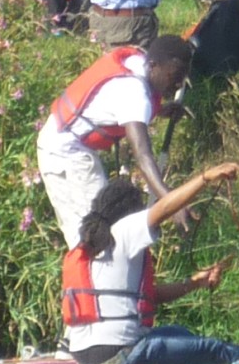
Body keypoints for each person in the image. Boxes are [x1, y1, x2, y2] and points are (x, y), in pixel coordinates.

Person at [64, 172, 239, 364]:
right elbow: (165, 207)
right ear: (129, 210)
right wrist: (206, 177)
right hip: (120, 359)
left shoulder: (90, 243)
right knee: (212, 347)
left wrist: (194, 283)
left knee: (179, 332)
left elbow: (149, 296)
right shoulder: (123, 231)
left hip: (87, 362)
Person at [37, 35, 192, 250]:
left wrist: (160, 110)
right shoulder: (133, 91)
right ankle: (86, 280)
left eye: (182, 79)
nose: (177, 85)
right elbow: (143, 155)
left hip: (67, 142)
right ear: (154, 65)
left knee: (97, 232)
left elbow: (116, 106)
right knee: (96, 233)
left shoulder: (138, 62)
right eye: (173, 77)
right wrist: (171, 203)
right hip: (65, 153)